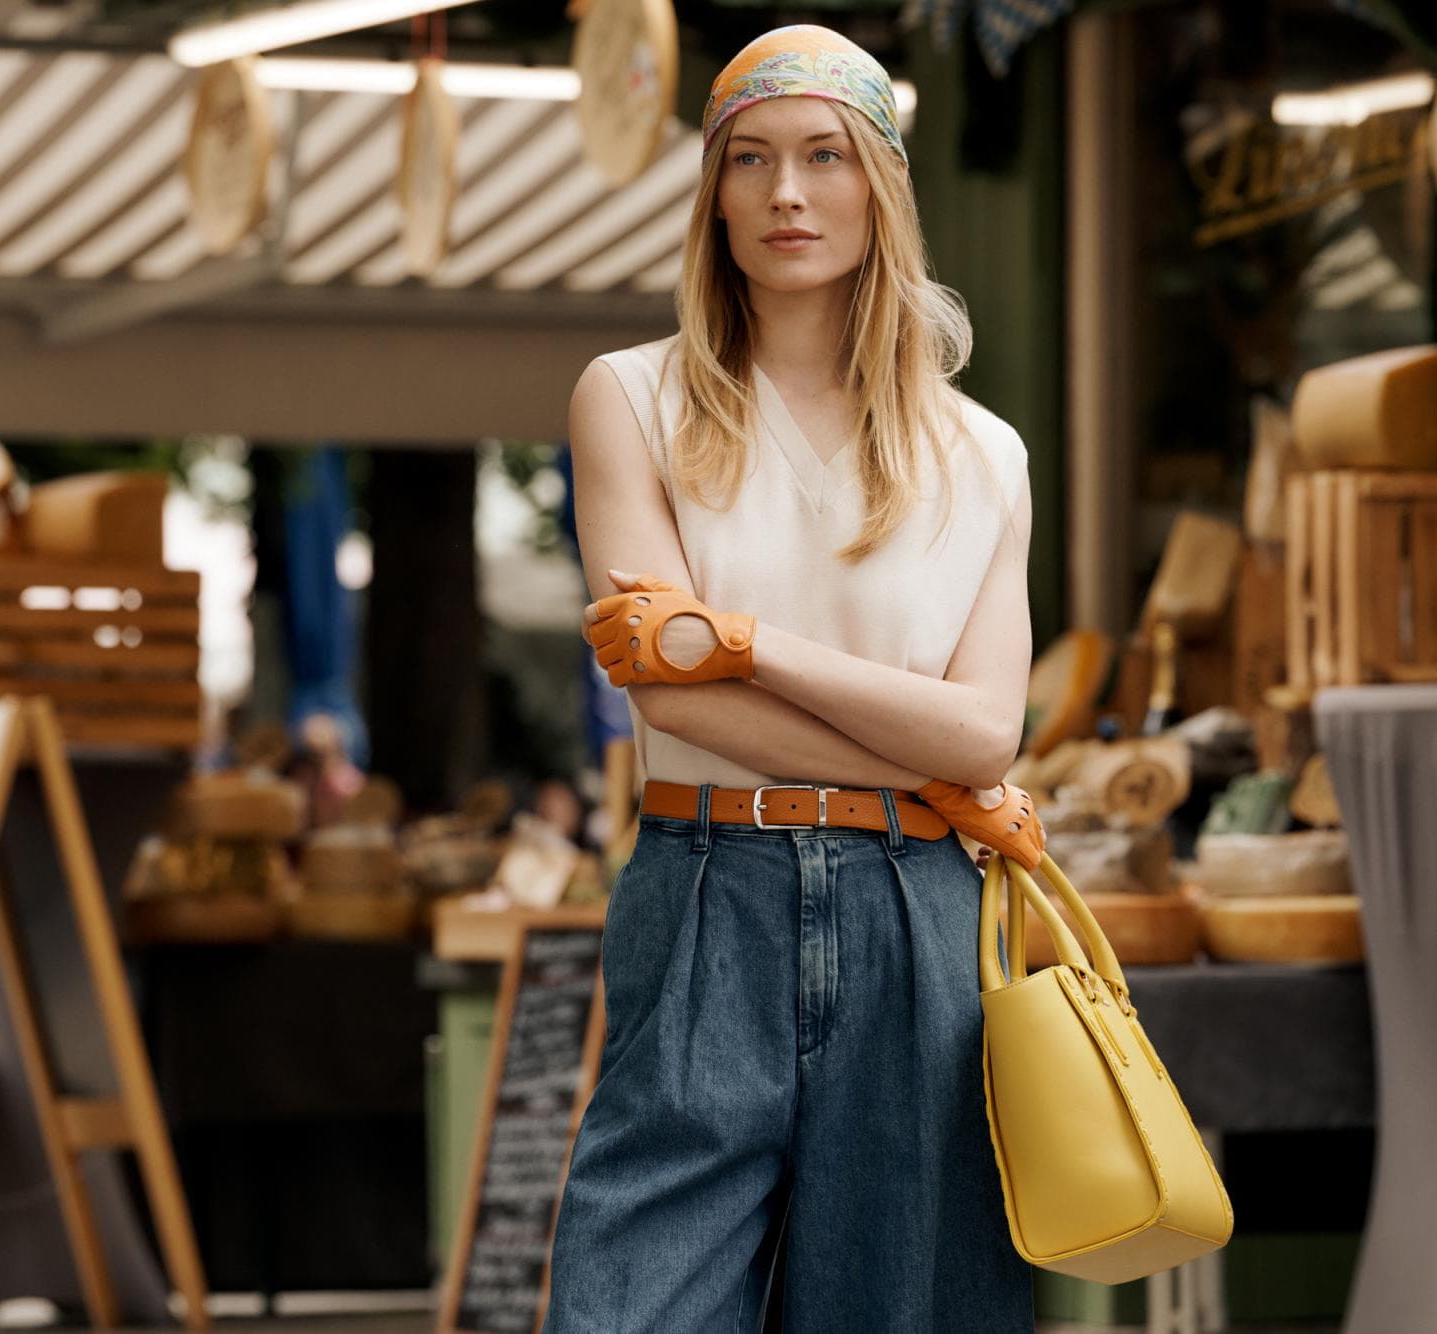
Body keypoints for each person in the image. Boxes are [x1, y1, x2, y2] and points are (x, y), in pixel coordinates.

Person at [545, 25, 1046, 1332]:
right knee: (630, 1305)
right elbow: (672, 695)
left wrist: (754, 643)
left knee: (904, 1307)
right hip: (710, 884)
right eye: (750, 160)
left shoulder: (983, 454)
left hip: (916, 913)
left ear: (879, 185)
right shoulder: (632, 400)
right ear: (711, 194)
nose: (786, 193)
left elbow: (988, 728)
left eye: (825, 156)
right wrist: (945, 775)